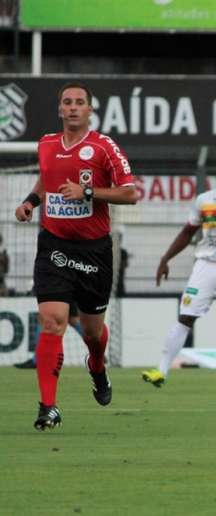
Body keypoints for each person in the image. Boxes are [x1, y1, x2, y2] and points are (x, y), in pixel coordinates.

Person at [14, 82, 138, 431]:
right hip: (53, 245)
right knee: (52, 320)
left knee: (93, 334)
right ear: (59, 109)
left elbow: (130, 194)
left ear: (89, 110)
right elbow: (46, 180)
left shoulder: (103, 147)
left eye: (79, 102)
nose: (72, 108)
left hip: (93, 252)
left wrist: (87, 191)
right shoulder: (46, 144)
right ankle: (48, 407)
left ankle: (97, 367)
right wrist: (31, 202)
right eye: (66, 102)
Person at [142, 157, 216, 398]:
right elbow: (187, 232)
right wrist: (166, 258)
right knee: (185, 318)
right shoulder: (204, 201)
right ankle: (161, 370)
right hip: (205, 266)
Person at [14, 303, 83, 369]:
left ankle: (37, 360)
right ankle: (93, 347)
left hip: (58, 292)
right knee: (73, 319)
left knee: (45, 318)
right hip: (67, 293)